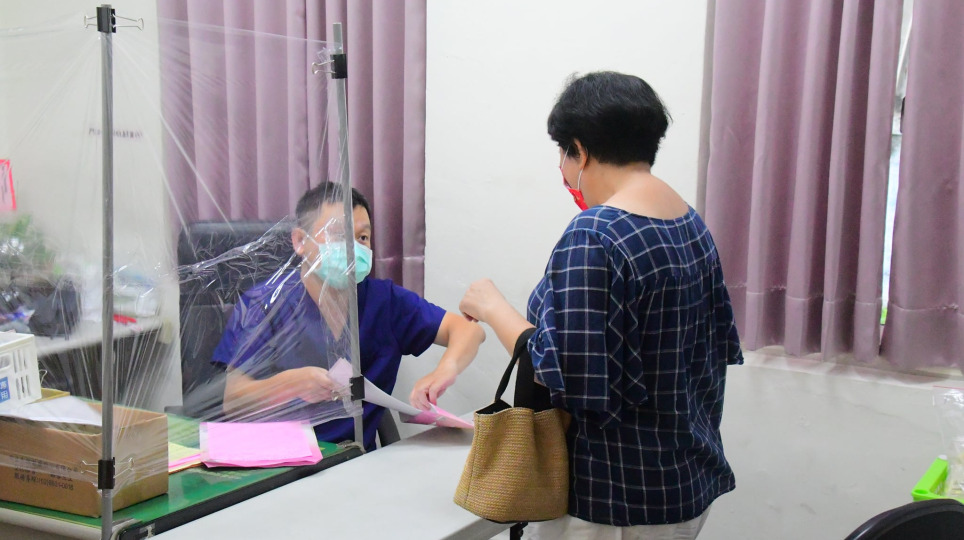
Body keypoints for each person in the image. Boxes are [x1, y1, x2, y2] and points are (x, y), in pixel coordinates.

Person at [459, 71, 743, 538]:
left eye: (563, 154)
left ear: (581, 149)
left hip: (614, 500)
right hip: (685, 483)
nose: (563, 170)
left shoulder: (595, 235)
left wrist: (494, 309)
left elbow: (566, 376)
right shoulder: (688, 222)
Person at [213, 181, 485, 451]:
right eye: (338, 235)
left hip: (358, 460)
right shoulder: (264, 305)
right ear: (300, 241)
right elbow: (233, 401)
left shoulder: (384, 301)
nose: (353, 249)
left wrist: (445, 370)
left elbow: (469, 330)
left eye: (362, 237)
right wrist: (291, 385)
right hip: (283, 463)